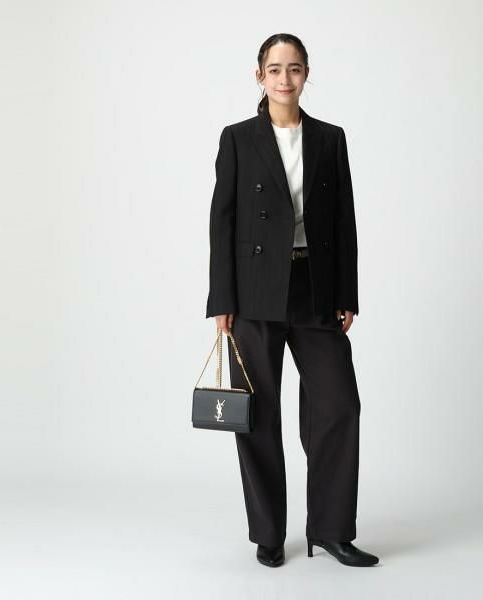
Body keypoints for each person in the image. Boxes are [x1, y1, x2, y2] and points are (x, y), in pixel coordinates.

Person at [206, 33, 379, 568]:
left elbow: (344, 221)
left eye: (295, 68)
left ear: (307, 74)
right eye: (276, 69)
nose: (285, 78)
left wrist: (346, 292)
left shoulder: (330, 138)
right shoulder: (238, 138)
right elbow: (222, 221)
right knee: (258, 415)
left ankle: (331, 529)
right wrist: (222, 299)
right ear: (259, 75)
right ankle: (268, 534)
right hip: (255, 291)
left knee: (338, 405)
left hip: (315, 287)